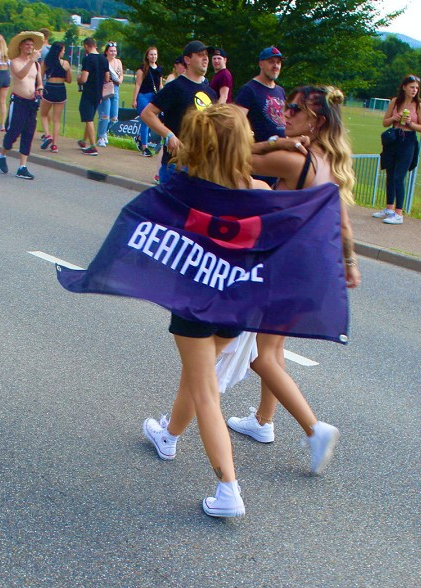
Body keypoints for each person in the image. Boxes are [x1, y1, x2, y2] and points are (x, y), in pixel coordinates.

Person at [141, 103, 269, 518]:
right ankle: (169, 435)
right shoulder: (262, 193)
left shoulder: (185, 189)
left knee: (204, 389)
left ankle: (228, 488)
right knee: (198, 375)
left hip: (195, 304)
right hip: (236, 305)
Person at [223, 86, 358, 474]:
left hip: (283, 267)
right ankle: (263, 422)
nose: (286, 112)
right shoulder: (329, 161)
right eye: (287, 105)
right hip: (308, 268)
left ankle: (315, 429)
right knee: (274, 349)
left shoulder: (295, 158)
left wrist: (276, 142)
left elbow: (235, 157)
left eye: (295, 109)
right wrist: (349, 262)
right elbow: (343, 222)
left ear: (315, 123)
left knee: (260, 356)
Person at [139, 40, 215, 183]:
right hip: (177, 165)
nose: (205, 58)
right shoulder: (176, 87)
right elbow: (147, 113)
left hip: (202, 167)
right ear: (187, 59)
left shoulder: (210, 92)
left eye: (206, 55)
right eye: (200, 54)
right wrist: (169, 135)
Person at [374, 74, 421, 225]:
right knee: (390, 173)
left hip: (408, 140)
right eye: (412, 87)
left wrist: (410, 123)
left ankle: (399, 212)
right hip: (394, 138)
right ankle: (389, 208)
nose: (414, 90)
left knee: (399, 176)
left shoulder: (419, 106)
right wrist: (394, 118)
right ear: (404, 87)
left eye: (417, 88)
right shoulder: (395, 102)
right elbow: (385, 122)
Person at [0, 31, 44, 180]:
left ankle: (22, 166)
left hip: (31, 103)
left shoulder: (36, 64)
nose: (30, 47)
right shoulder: (15, 62)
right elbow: (21, 75)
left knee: (28, 133)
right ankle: (2, 153)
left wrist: (40, 90)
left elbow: (39, 82)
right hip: (18, 101)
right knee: (14, 131)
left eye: (32, 45)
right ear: (21, 47)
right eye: (28, 45)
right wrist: (31, 61)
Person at [234, 46, 286, 143]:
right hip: (260, 152)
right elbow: (237, 123)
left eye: (278, 62)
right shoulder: (249, 90)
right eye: (271, 61)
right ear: (261, 64)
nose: (276, 66)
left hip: (283, 148)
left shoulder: (280, 91)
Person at [77, 36, 109, 156]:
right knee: (90, 116)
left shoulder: (87, 59)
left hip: (88, 92)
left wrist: (79, 79)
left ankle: (92, 146)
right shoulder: (103, 59)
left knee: (88, 118)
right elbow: (107, 77)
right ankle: (84, 141)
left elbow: (84, 79)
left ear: (86, 46)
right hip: (99, 93)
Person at [39, 42, 71, 153]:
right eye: (63, 50)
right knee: (57, 119)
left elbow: (41, 76)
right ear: (59, 51)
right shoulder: (66, 63)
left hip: (50, 87)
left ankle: (47, 134)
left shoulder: (46, 62)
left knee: (43, 114)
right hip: (61, 88)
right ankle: (55, 145)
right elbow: (70, 80)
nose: (64, 52)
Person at [132, 46, 162, 156]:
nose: (153, 56)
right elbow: (138, 84)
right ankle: (144, 147)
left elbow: (160, 85)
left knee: (152, 123)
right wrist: (134, 99)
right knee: (145, 121)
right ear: (147, 56)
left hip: (154, 97)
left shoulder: (159, 69)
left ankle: (140, 138)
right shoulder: (143, 69)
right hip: (144, 96)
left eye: (155, 54)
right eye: (151, 54)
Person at [97, 41, 124, 147]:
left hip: (116, 88)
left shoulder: (118, 62)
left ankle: (104, 131)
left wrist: (120, 80)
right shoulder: (103, 61)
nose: (113, 53)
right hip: (106, 88)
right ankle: (101, 136)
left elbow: (121, 74)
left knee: (114, 118)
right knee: (105, 115)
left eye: (115, 51)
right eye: (111, 51)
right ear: (107, 52)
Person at [37, 27, 53, 141]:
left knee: (42, 109)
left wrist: (39, 83)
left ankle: (46, 133)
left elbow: (39, 67)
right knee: (48, 108)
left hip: (42, 80)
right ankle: (47, 130)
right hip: (52, 80)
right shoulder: (52, 49)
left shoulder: (40, 50)